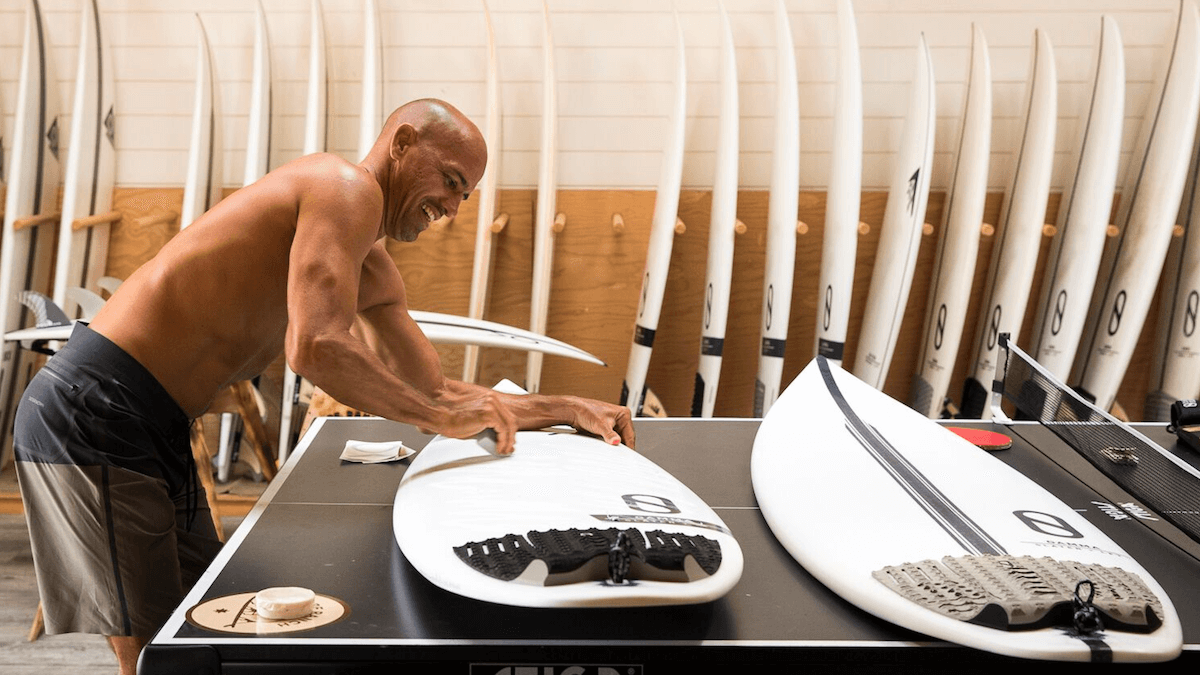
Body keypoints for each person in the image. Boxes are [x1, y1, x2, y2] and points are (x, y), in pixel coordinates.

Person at [13, 98, 634, 674]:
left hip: (155, 421)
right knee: (155, 654)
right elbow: (314, 346)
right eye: (449, 181)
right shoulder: (344, 187)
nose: (452, 207)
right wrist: (438, 416)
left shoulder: (371, 265)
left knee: (201, 635)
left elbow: (435, 393)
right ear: (403, 142)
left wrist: (563, 407)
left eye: (464, 196)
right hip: (95, 405)